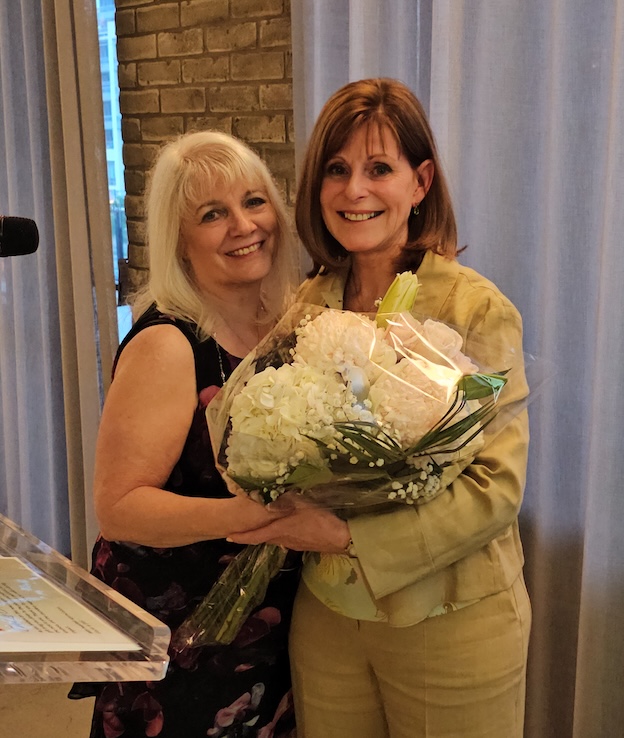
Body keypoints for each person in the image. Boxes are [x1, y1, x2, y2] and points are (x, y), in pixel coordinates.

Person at [229, 78, 531, 738]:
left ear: (420, 183)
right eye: (337, 170)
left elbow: (496, 489)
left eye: (379, 169)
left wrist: (346, 536)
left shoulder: (475, 309)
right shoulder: (308, 303)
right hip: (328, 621)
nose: (354, 190)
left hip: (451, 622)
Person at [69, 130, 300, 738]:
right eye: (212, 214)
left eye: (254, 201)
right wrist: (245, 516)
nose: (244, 225)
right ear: (180, 239)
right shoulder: (168, 343)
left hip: (267, 628)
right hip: (184, 638)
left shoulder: (286, 326)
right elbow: (119, 507)